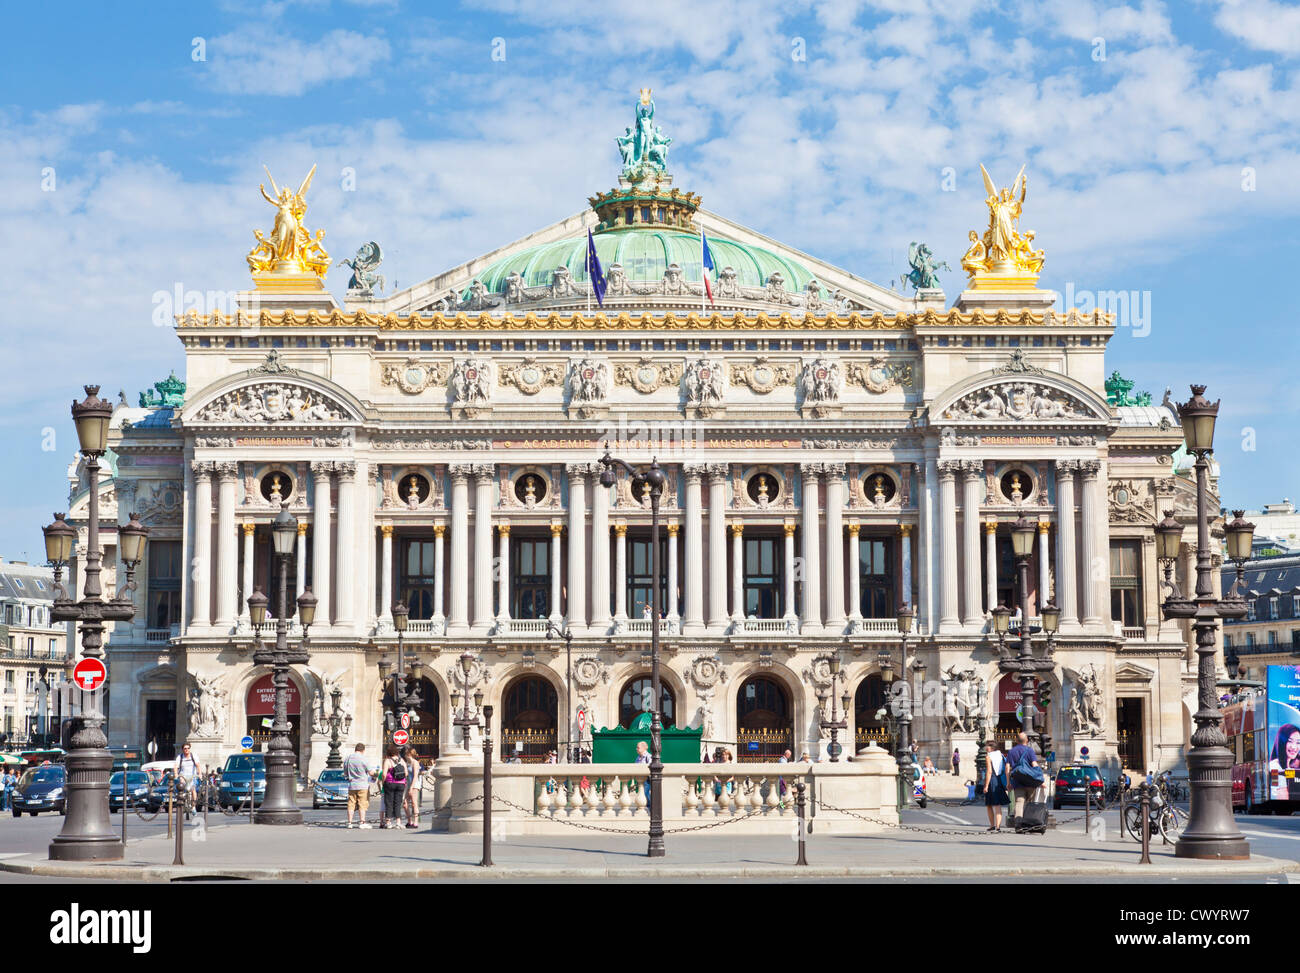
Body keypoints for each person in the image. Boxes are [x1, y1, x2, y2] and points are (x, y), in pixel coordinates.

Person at [1006, 732, 1043, 827]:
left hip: (1017, 781)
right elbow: (1034, 764)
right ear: (1026, 740)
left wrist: (1008, 782)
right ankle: (1028, 822)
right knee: (1030, 803)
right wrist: (1040, 779)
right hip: (1030, 781)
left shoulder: (1011, 751)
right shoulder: (1030, 750)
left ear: (1016, 740)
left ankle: (1018, 823)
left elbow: (1007, 768)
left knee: (1019, 801)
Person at [343, 742, 373, 829]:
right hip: (363, 784)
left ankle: (349, 822)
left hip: (352, 784)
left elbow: (345, 772)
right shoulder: (364, 759)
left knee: (351, 803)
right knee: (362, 803)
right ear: (363, 750)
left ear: (355, 749)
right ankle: (362, 822)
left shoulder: (348, 759)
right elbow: (371, 772)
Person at [982, 741, 1009, 831]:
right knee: (998, 805)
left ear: (991, 748)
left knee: (989, 804)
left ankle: (992, 825)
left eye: (987, 746)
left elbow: (989, 771)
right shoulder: (1001, 755)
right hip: (999, 781)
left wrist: (986, 786)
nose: (986, 748)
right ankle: (998, 826)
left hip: (992, 780)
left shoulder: (988, 756)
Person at [1269, 724, 1300, 800]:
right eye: (1290, 741)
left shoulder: (1292, 765)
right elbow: (1278, 793)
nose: (1294, 747)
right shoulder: (1274, 767)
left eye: (1298, 743)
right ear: (1281, 742)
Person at [380, 744, 407, 829]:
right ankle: (398, 822)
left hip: (390, 783)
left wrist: (383, 783)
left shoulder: (388, 761)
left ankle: (388, 822)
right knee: (398, 803)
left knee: (389, 802)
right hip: (401, 784)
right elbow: (406, 773)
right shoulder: (401, 760)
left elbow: (384, 774)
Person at [403, 748, 422, 828]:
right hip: (408, 784)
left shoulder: (415, 763)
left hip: (414, 785)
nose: (405, 756)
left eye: (406, 754)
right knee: (405, 804)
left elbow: (415, 776)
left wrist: (411, 787)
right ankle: (409, 821)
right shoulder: (408, 763)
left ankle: (416, 822)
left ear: (409, 754)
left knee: (414, 803)